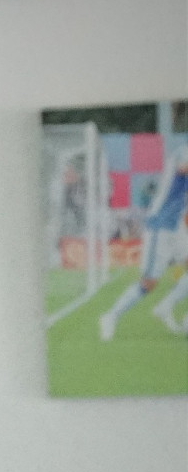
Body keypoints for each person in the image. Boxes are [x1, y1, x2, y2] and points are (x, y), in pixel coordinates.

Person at [100, 142, 188, 341]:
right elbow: (183, 168)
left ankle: (165, 306)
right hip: (160, 226)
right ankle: (110, 316)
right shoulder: (184, 150)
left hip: (176, 226)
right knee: (149, 283)